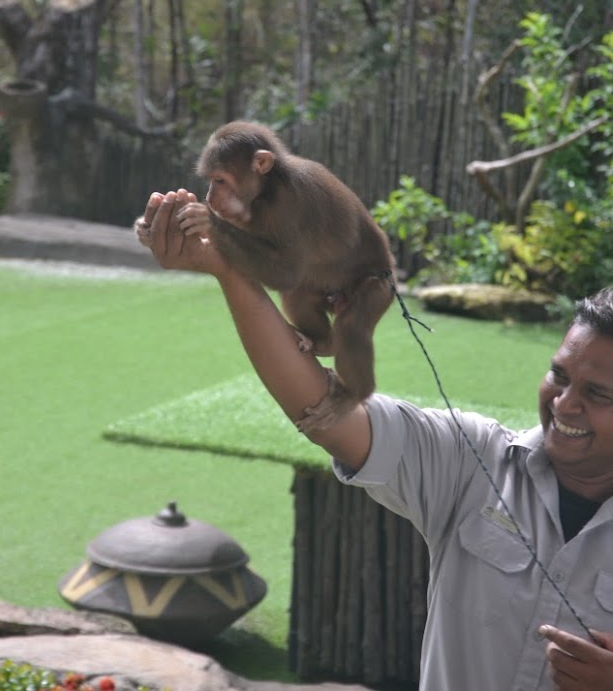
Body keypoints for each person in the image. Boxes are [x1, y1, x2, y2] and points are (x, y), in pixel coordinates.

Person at [138, 188, 613, 691]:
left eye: (597, 393)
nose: (563, 404)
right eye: (558, 376)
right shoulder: (475, 462)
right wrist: (229, 268)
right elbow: (324, 411)